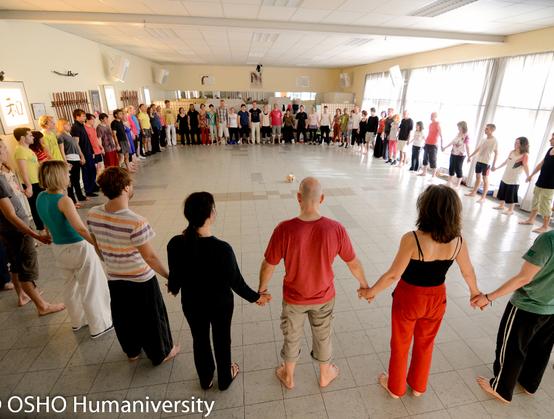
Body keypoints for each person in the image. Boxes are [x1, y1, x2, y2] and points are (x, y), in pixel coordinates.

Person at [359, 185, 480, 399]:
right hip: (437, 299)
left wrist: (371, 292)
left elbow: (393, 275)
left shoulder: (412, 239)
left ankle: (395, 387)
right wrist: (474, 292)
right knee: (426, 343)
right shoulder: (459, 241)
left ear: (425, 209)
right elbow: (468, 271)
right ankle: (417, 386)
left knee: (400, 343)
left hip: (409, 297)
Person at [259, 177, 369, 389]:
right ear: (322, 198)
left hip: (294, 298)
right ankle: (325, 374)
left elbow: (268, 265)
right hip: (323, 296)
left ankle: (289, 376)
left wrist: (262, 290)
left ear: (298, 198)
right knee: (323, 335)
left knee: (291, 335)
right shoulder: (335, 229)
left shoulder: (284, 229)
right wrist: (365, 286)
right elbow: (353, 263)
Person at [167, 192, 270, 390]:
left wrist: (173, 286)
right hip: (220, 304)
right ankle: (225, 378)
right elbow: (237, 283)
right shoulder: (222, 249)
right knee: (222, 339)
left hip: (192, 303)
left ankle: (205, 379)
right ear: (211, 214)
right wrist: (258, 298)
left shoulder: (176, 243)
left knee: (200, 339)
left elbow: (175, 276)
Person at [87, 167, 179, 365]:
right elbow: (150, 257)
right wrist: (169, 276)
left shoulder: (93, 214)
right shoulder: (136, 221)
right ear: (126, 187)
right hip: (141, 280)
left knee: (123, 317)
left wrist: (110, 260)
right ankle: (160, 353)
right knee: (152, 318)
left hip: (114, 277)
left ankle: (132, 352)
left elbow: (97, 246)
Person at [471, 229, 554, 404]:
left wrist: (488, 297)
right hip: (552, 307)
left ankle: (501, 388)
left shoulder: (549, 240)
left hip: (528, 305)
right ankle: (530, 384)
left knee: (511, 346)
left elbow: (524, 278)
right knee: (542, 348)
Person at [36, 161, 112, 338]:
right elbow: (80, 228)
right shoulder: (64, 200)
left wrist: (49, 234)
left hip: (59, 247)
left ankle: (78, 321)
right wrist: (97, 245)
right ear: (58, 176)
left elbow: (46, 223)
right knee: (91, 285)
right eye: (66, 173)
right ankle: (99, 325)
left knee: (70, 286)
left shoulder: (41, 197)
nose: (69, 176)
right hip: (78, 247)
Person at [0, 138, 65, 314]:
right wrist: (36, 235)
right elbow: (10, 215)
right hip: (15, 230)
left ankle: (23, 294)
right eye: (3, 147)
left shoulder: (3, 171)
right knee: (26, 267)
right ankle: (42, 305)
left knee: (15, 263)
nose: (6, 150)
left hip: (11, 229)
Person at [519, 132, 554, 233]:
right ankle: (531, 220)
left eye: (552, 138)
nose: (550, 140)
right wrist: (531, 175)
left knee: (545, 204)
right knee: (535, 200)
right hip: (541, 180)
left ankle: (545, 226)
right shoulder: (549, 150)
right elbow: (541, 164)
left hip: (550, 184)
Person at [14, 127, 45, 232]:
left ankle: (45, 227)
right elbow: (23, 171)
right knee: (35, 206)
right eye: (30, 135)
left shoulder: (28, 149)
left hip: (37, 181)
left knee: (41, 205)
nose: (33, 137)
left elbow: (34, 166)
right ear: (23, 138)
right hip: (31, 183)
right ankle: (41, 229)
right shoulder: (20, 151)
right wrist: (29, 186)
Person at [492, 137, 530, 215]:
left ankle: (511, 210)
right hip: (506, 175)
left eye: (518, 143)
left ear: (523, 144)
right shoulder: (512, 152)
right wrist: (497, 168)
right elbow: (506, 161)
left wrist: (528, 176)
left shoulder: (524, 155)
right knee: (503, 191)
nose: (515, 144)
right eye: (515, 142)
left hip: (515, 178)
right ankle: (501, 205)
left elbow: (526, 166)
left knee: (512, 194)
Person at [57, 119, 87, 206]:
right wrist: (65, 162)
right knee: (71, 182)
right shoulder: (60, 136)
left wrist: (81, 155)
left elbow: (76, 146)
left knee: (76, 180)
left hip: (76, 158)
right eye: (68, 125)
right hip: (69, 159)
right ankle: (73, 201)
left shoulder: (69, 134)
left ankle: (80, 196)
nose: (70, 126)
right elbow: (61, 150)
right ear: (63, 126)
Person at [466, 124, 498, 202]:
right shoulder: (483, 139)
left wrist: (494, 165)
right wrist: (470, 156)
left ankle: (483, 197)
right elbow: (478, 149)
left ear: (492, 130)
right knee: (477, 176)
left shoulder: (494, 140)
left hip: (486, 162)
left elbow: (496, 153)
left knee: (484, 178)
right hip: (479, 160)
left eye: (487, 129)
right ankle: (473, 192)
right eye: (485, 128)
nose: (485, 130)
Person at [71, 109, 97, 197]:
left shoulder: (82, 125)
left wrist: (92, 151)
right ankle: (88, 190)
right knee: (86, 173)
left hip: (89, 152)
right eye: (83, 116)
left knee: (92, 170)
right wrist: (81, 156)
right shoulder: (75, 127)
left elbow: (87, 140)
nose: (85, 117)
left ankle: (93, 186)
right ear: (77, 117)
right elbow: (76, 144)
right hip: (84, 154)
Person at [442, 121, 471, 188]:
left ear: (463, 126)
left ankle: (458, 185)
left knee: (458, 168)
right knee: (451, 167)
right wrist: (445, 147)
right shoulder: (458, 134)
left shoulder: (466, 135)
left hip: (460, 155)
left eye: (459, 126)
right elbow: (453, 142)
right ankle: (448, 182)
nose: (458, 128)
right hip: (453, 152)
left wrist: (469, 156)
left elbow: (467, 146)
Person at [418, 112, 443, 179]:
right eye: (430, 116)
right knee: (425, 159)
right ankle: (424, 172)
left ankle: (433, 175)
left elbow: (441, 134)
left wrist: (442, 144)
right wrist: (425, 142)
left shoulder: (438, 124)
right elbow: (429, 134)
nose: (431, 117)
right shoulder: (430, 124)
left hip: (433, 144)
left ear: (435, 116)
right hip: (427, 143)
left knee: (433, 160)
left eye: (432, 116)